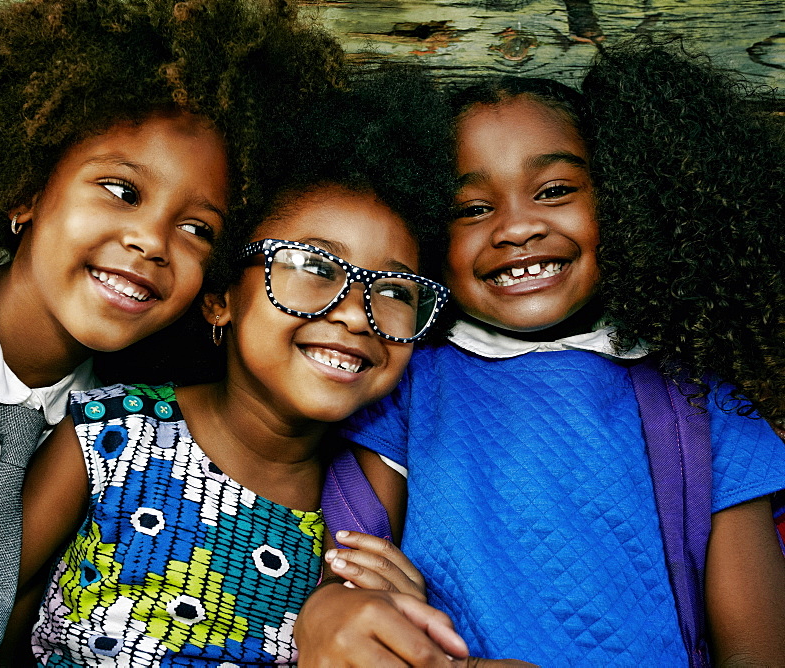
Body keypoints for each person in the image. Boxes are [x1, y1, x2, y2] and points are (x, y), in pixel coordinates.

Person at [0, 0, 347, 663]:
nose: (150, 241)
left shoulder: (109, 437)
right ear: (27, 190)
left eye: (198, 229)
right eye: (120, 189)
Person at [0, 68, 467, 666]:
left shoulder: (364, 499)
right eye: (314, 267)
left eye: (395, 289)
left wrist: (391, 624)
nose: (357, 315)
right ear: (220, 298)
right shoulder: (112, 431)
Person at [295, 38, 785, 666]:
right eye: (471, 208)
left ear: (627, 200)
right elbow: (351, 578)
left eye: (554, 191)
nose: (516, 227)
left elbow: (759, 645)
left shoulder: (700, 399)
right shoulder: (409, 383)